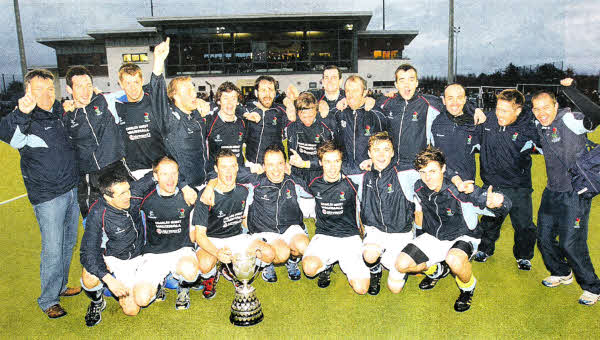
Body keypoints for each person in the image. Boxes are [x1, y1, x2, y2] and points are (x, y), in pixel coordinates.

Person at [0, 69, 81, 318]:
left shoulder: (58, 113)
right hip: (48, 197)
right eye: (39, 90)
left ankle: (61, 285)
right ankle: (48, 299)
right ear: (28, 92)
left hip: (72, 190)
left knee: (69, 243)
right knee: (53, 248)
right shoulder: (24, 119)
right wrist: (20, 114)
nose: (46, 95)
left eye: (49, 89)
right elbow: (7, 135)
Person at [396, 146, 511, 312]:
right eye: (423, 172)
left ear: (443, 169)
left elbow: (502, 206)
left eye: (433, 171)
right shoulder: (418, 187)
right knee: (402, 264)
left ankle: (467, 289)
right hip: (435, 236)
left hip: (463, 236)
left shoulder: (461, 190)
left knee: (454, 261)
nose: (427, 177)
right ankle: (438, 271)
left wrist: (499, 201)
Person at [532, 78, 600, 306]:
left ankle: (592, 286)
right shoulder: (538, 125)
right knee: (543, 238)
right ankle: (562, 272)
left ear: (556, 106)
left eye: (546, 107)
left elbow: (596, 115)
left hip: (575, 193)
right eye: (537, 108)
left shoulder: (570, 120)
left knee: (571, 243)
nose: (541, 113)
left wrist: (570, 90)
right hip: (552, 191)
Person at [193, 149, 274, 299]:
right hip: (212, 239)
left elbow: (246, 218)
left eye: (232, 166)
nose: (229, 172)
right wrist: (217, 253)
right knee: (204, 264)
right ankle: (211, 276)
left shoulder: (244, 191)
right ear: (216, 169)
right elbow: (200, 235)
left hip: (236, 237)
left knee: (268, 254)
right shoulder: (206, 195)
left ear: (238, 167)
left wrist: (254, 239)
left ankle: (232, 269)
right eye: (224, 167)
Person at [79, 171, 157, 326]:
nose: (128, 196)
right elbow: (88, 252)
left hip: (139, 256)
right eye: (121, 194)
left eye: (128, 190)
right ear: (108, 197)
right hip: (114, 258)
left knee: (134, 308)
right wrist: (108, 278)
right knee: (89, 276)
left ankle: (145, 285)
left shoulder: (132, 193)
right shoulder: (97, 213)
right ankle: (97, 301)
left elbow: (159, 172)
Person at [473, 89, 539, 271]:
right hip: (493, 184)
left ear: (517, 111)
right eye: (497, 109)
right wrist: (474, 110)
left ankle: (524, 256)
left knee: (524, 225)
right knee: (489, 221)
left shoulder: (528, 127)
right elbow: (467, 117)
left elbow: (545, 143)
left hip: (519, 186)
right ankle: (484, 249)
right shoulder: (488, 120)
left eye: (505, 110)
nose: (499, 114)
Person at [375, 64, 486, 170]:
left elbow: (453, 103)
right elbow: (367, 105)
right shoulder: (386, 103)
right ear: (396, 84)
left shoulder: (429, 102)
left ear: (417, 83)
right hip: (390, 167)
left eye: (411, 80)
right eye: (402, 80)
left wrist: (474, 109)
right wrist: (368, 100)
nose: (407, 85)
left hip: (417, 167)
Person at [356, 132, 421, 295]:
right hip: (375, 231)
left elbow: (432, 173)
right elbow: (334, 170)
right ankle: (375, 270)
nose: (381, 154)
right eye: (376, 150)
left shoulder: (406, 173)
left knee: (395, 288)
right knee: (370, 255)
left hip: (401, 233)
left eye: (386, 149)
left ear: (393, 152)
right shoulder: (362, 175)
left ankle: (402, 264)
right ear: (369, 153)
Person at [301, 141, 370, 294]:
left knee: (362, 288)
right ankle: (326, 264)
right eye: (327, 161)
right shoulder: (313, 182)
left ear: (341, 162)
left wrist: (371, 161)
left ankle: (338, 260)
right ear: (320, 163)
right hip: (325, 236)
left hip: (349, 238)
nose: (332, 167)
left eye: (336, 161)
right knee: (309, 268)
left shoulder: (353, 181)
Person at [62, 65, 127, 218]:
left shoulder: (105, 101)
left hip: (116, 169)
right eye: (79, 86)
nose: (85, 91)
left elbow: (134, 92)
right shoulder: (67, 118)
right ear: (69, 89)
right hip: (90, 179)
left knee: (127, 217)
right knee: (92, 221)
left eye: (88, 86)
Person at [138, 156, 200, 310]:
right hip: (154, 254)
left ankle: (183, 288)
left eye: (174, 173)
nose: (170, 179)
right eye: (164, 174)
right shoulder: (144, 198)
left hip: (181, 251)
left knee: (190, 271)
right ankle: (158, 284)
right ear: (155, 176)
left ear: (179, 175)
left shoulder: (190, 195)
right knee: (141, 299)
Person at [114, 38, 170, 180]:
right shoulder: (116, 105)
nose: (133, 87)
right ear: (121, 84)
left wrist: (158, 59)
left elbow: (157, 82)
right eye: (128, 83)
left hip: (159, 168)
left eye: (136, 82)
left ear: (141, 81)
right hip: (135, 172)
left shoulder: (153, 101)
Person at [155, 72, 209, 188]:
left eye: (193, 89)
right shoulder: (171, 119)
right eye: (188, 91)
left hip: (204, 184)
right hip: (184, 188)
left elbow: (226, 108)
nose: (194, 94)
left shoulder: (196, 114)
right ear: (175, 96)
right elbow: (158, 94)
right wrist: (159, 61)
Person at [335, 75, 386, 174]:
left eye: (355, 90)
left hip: (368, 172)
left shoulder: (376, 114)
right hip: (345, 173)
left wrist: (374, 161)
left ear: (365, 92)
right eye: (348, 91)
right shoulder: (339, 113)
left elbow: (386, 145)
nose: (351, 95)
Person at [244, 75, 293, 170]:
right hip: (253, 166)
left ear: (275, 93)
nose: (267, 94)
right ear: (256, 93)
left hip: (275, 166)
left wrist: (291, 103)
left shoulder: (281, 111)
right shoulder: (248, 110)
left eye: (270, 90)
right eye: (263, 90)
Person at [205, 82, 248, 171]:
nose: (230, 103)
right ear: (218, 101)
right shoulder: (209, 122)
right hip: (217, 175)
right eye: (225, 98)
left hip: (239, 173)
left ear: (237, 102)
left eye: (233, 98)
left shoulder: (243, 122)